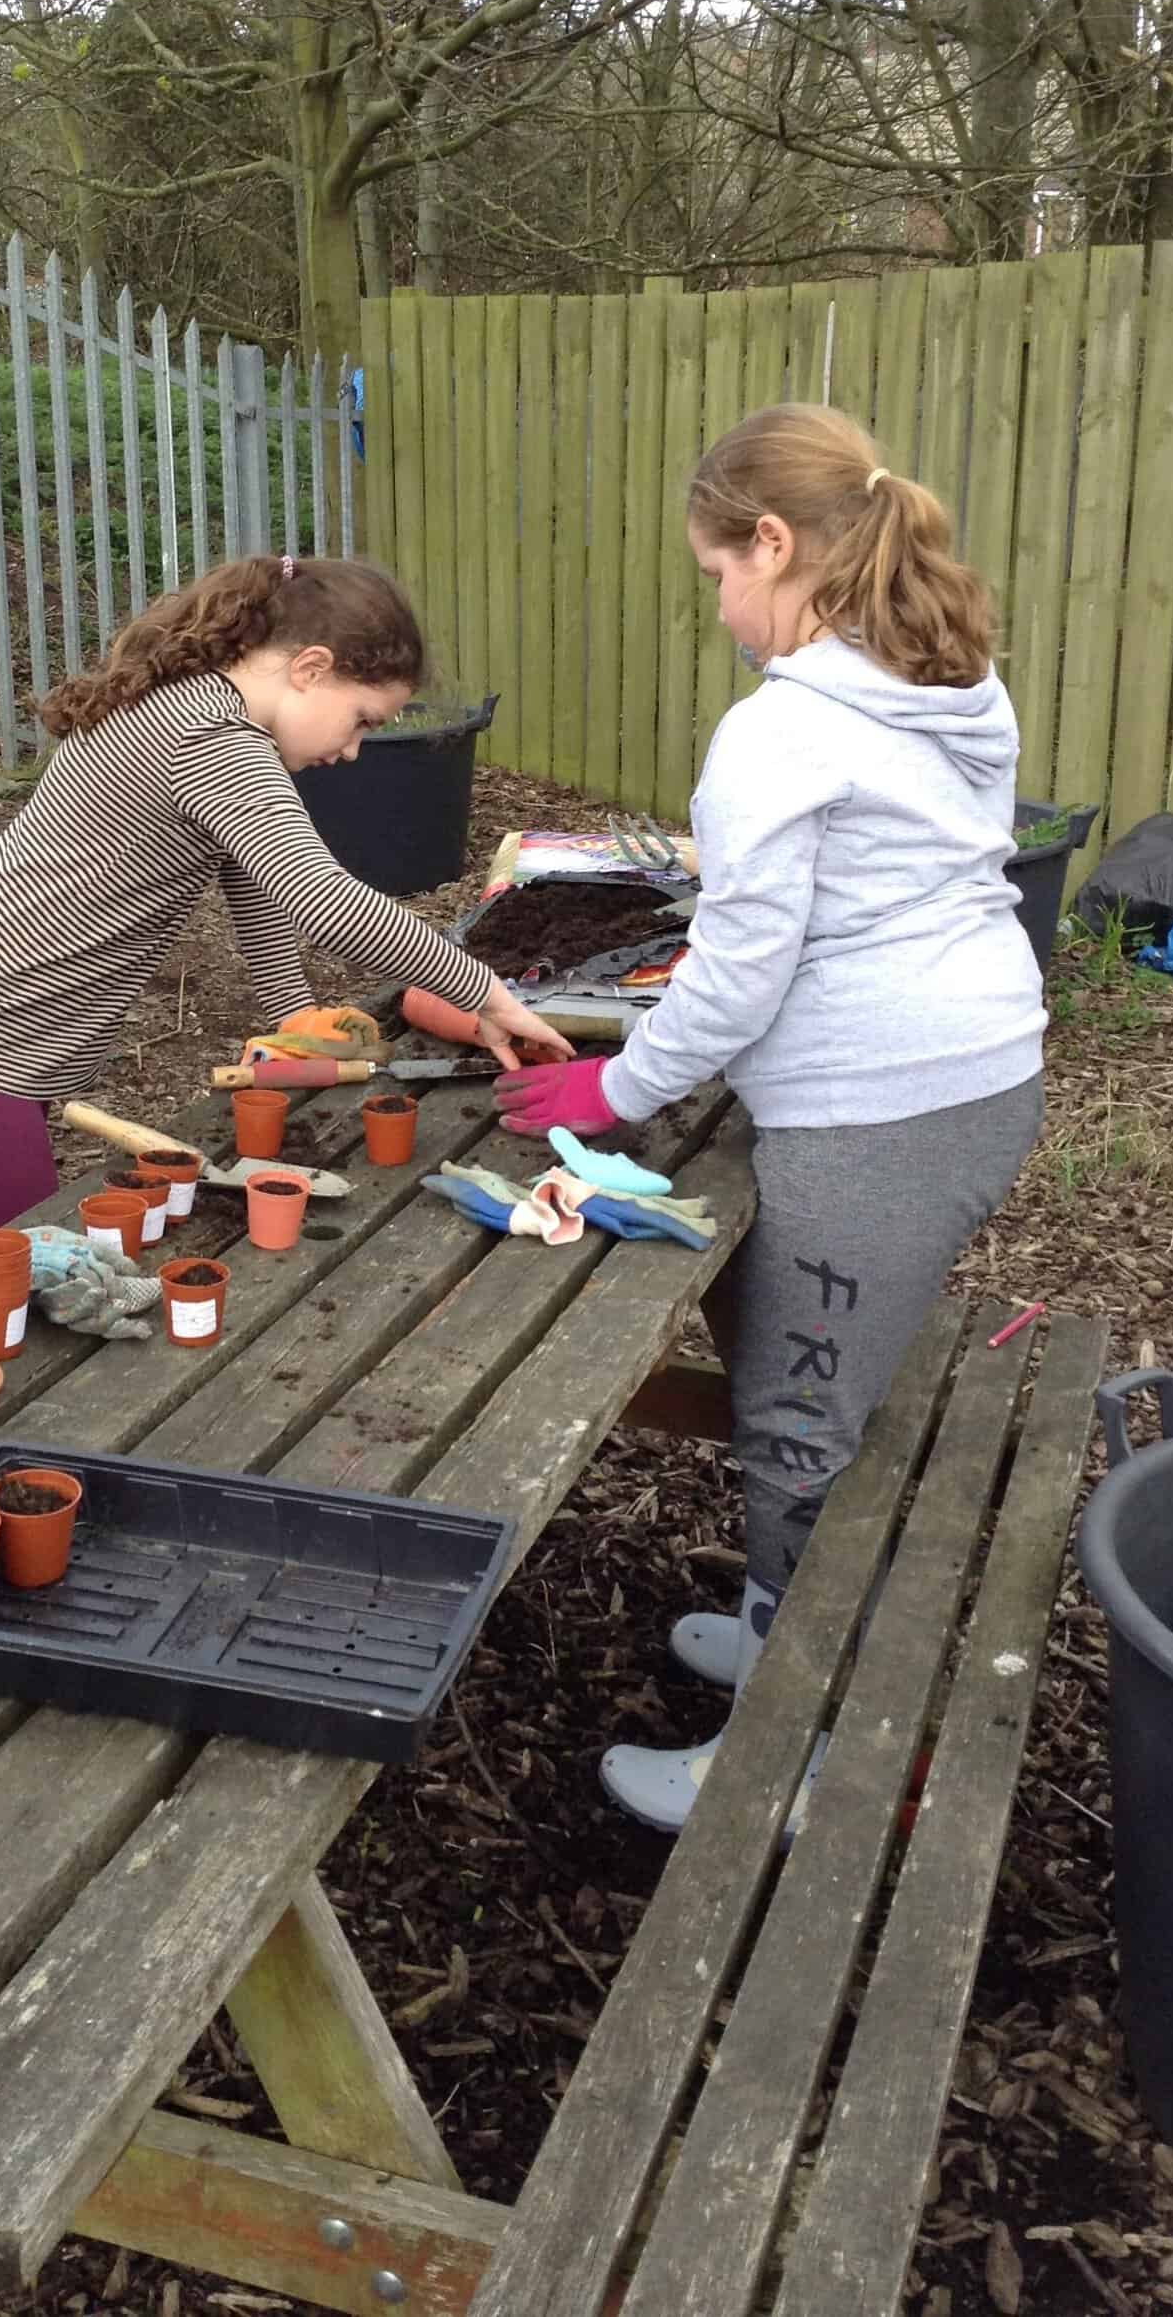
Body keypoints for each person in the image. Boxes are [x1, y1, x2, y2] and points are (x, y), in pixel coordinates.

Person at [495, 405, 1047, 1830]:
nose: (720, 603)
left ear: (776, 543)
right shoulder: (946, 677)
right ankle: (773, 1619)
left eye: (716, 571)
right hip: (963, 1071)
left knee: (803, 1423)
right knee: (779, 1360)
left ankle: (791, 1756)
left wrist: (609, 1088)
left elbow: (741, 972)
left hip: (888, 1108)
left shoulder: (784, 726)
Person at [0, 554, 569, 1234]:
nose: (356, 748)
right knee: (22, 1278)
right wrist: (481, 989)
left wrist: (294, 1012)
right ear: (310, 668)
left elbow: (254, 877)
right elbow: (323, 901)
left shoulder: (202, 707)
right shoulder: (212, 738)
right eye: (361, 718)